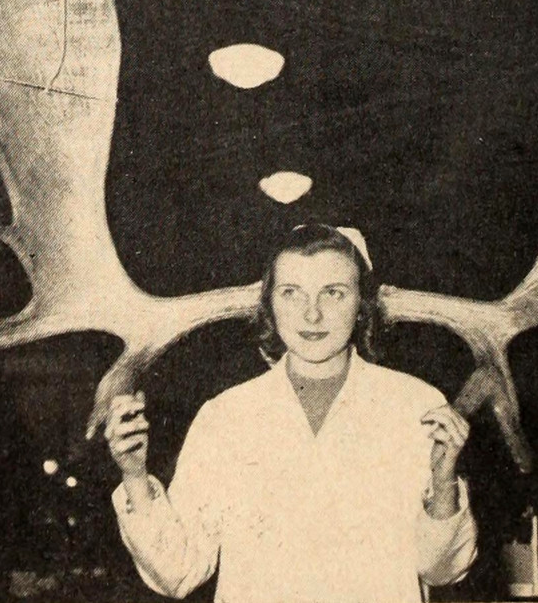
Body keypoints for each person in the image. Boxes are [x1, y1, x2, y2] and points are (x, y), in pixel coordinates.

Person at [106, 223, 477, 603]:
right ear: (269, 304)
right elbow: (177, 571)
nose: (311, 314)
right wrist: (134, 475)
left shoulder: (415, 405)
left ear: (362, 305)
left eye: (333, 293)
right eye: (291, 293)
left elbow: (442, 569)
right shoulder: (226, 417)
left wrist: (443, 481)